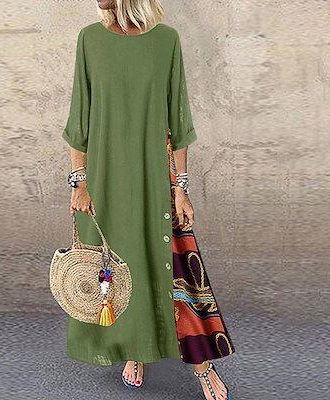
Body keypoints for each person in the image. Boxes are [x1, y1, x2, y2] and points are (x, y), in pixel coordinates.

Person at [62, 1, 235, 399]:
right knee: (117, 267)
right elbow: (79, 117)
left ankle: (203, 366)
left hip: (155, 175)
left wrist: (181, 187)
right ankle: (133, 349)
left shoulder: (166, 41)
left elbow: (179, 120)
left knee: (170, 268)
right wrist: (79, 182)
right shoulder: (89, 40)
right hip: (105, 178)